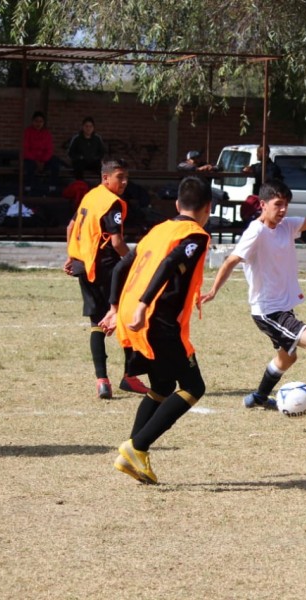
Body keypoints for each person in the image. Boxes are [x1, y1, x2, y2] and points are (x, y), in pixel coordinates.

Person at [201, 176, 306, 428]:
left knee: (287, 358)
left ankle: (260, 397)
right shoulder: (256, 231)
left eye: (286, 204)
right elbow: (231, 260)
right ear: (263, 204)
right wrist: (213, 290)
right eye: (278, 204)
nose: (283, 210)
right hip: (268, 312)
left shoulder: (287, 226)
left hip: (281, 309)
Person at [98, 176, 213, 484]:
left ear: (177, 204)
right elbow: (170, 264)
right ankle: (137, 446)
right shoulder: (196, 234)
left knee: (162, 385)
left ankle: (131, 455)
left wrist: (113, 308)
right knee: (193, 387)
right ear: (208, 208)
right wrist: (142, 306)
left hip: (132, 316)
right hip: (154, 320)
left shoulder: (158, 230)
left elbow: (122, 267)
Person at [63, 157, 149, 399]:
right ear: (105, 178)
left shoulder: (91, 196)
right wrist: (135, 262)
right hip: (106, 267)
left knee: (96, 324)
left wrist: (72, 254)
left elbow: (71, 227)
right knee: (129, 315)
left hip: (84, 265)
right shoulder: (112, 203)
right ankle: (130, 376)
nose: (123, 183)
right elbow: (117, 242)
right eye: (119, 177)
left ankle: (102, 380)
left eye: (126, 178)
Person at [22, 110, 61, 192]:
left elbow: (49, 149)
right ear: (32, 121)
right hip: (31, 159)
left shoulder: (46, 133)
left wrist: (43, 161)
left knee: (55, 163)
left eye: (41, 121)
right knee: (29, 166)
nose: (38, 124)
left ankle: (53, 187)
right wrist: (36, 161)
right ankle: (28, 188)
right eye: (36, 121)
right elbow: (25, 149)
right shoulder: (27, 132)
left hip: (44, 159)